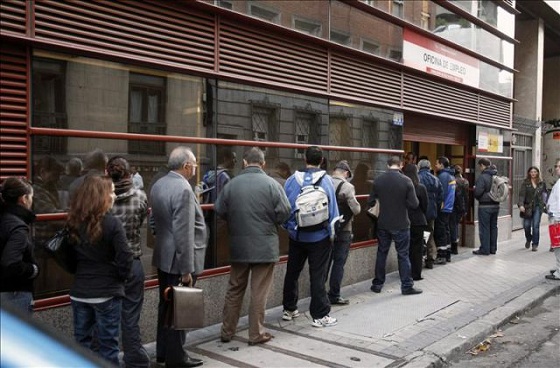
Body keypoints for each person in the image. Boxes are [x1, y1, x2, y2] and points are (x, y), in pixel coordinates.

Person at [215, 147, 291, 345]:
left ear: (244, 162)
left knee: (234, 288)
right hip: (265, 246)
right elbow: (285, 211)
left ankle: (227, 331)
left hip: (239, 245)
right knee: (259, 292)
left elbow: (219, 210)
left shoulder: (232, 184)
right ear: (263, 164)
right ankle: (256, 333)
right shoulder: (272, 184)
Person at [67, 176, 133, 365]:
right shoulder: (112, 223)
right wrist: (121, 279)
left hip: (80, 292)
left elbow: (69, 258)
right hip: (106, 294)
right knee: (108, 348)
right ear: (101, 196)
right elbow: (125, 257)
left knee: (81, 346)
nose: (114, 196)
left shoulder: (73, 221)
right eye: (111, 192)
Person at [150, 146, 206, 368]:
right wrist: (186, 270)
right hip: (178, 260)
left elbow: (154, 221)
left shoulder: (158, 184)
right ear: (186, 166)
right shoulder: (183, 189)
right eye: (194, 165)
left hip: (164, 255)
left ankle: (163, 353)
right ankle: (177, 357)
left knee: (166, 307)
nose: (195, 169)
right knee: (179, 309)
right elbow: (184, 232)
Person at [282, 145, 340, 327]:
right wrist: (331, 234)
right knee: (318, 275)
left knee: (292, 272)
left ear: (304, 159)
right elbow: (333, 211)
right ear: (321, 160)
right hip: (319, 237)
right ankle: (320, 315)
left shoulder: (292, 180)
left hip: (297, 236)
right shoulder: (327, 180)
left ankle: (289, 309)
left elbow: (286, 207)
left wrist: (290, 229)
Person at [106, 156, 150, 368]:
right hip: (132, 261)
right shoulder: (140, 197)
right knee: (131, 314)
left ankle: (108, 358)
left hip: (108, 265)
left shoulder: (103, 199)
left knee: (107, 315)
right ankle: (134, 357)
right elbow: (142, 221)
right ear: (129, 173)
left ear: (109, 174)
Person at [368, 156, 421, 295]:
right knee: (403, 255)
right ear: (401, 165)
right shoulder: (406, 181)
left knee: (381, 253)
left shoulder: (378, 180)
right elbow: (414, 204)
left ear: (387, 165)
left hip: (383, 223)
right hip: (401, 223)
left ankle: (378, 284)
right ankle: (406, 286)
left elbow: (371, 201)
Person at [0, 177, 38, 314]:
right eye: (31, 197)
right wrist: (32, 269)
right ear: (23, 199)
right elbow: (11, 263)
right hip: (14, 292)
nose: (32, 201)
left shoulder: (4, 218)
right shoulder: (18, 227)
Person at [327, 160, 361, 304]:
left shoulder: (324, 182)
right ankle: (334, 295)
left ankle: (318, 293)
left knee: (324, 263)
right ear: (346, 173)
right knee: (338, 263)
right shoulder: (347, 187)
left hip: (325, 229)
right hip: (343, 230)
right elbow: (356, 209)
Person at [402, 164, 428, 281]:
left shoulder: (402, 187)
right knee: (417, 248)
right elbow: (425, 205)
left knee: (405, 249)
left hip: (404, 220)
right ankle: (416, 274)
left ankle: (405, 272)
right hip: (418, 221)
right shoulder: (420, 187)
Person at [418, 159, 443, 269]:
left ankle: (419, 258)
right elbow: (440, 197)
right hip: (431, 212)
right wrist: (435, 208)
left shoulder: (417, 178)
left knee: (418, 235)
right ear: (429, 167)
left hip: (419, 212)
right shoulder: (435, 179)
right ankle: (430, 259)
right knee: (429, 234)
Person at [473, 158, 500, 255]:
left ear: (482, 165)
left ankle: (485, 249)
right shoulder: (496, 175)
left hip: (485, 206)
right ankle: (493, 249)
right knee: (493, 227)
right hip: (496, 205)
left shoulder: (483, 177)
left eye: (479, 166)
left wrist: (475, 189)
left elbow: (478, 192)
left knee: (484, 227)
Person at [518, 166, 548, 251]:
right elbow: (521, 195)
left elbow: (545, 194)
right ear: (529, 173)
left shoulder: (542, 183)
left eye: (535, 172)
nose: (533, 173)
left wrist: (544, 203)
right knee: (526, 225)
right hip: (527, 207)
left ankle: (535, 244)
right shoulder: (525, 183)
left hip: (538, 206)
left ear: (538, 173)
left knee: (535, 225)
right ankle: (529, 238)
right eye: (532, 172)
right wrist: (521, 205)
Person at [433, 156, 456, 264]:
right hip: (448, 208)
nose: (435, 166)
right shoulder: (451, 175)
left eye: (437, 163)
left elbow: (441, 194)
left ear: (442, 165)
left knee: (440, 232)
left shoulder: (443, 176)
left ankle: (441, 255)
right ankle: (447, 253)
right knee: (446, 231)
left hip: (442, 208)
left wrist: (437, 207)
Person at [545, 158, 560, 281]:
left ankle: (559, 273)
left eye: (558, 166)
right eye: (556, 166)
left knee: (558, 247)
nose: (556, 168)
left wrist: (557, 219)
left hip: (557, 220)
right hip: (556, 218)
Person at [450, 165, 469, 254]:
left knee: (452, 226)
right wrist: (465, 209)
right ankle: (455, 244)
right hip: (462, 207)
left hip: (454, 206)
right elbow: (466, 197)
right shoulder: (465, 181)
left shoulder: (453, 181)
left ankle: (454, 246)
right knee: (455, 225)